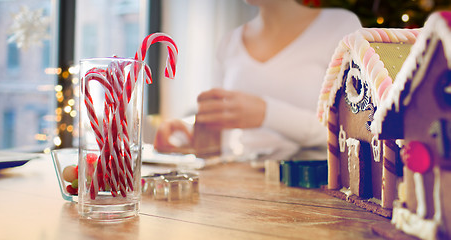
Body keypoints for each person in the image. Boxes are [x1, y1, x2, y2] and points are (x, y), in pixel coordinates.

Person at [154, 0, 361, 161]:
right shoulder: (229, 42)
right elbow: (224, 127)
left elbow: (352, 132)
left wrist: (266, 113)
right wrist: (185, 132)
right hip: (236, 190)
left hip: (310, 192)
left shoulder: (339, 26)